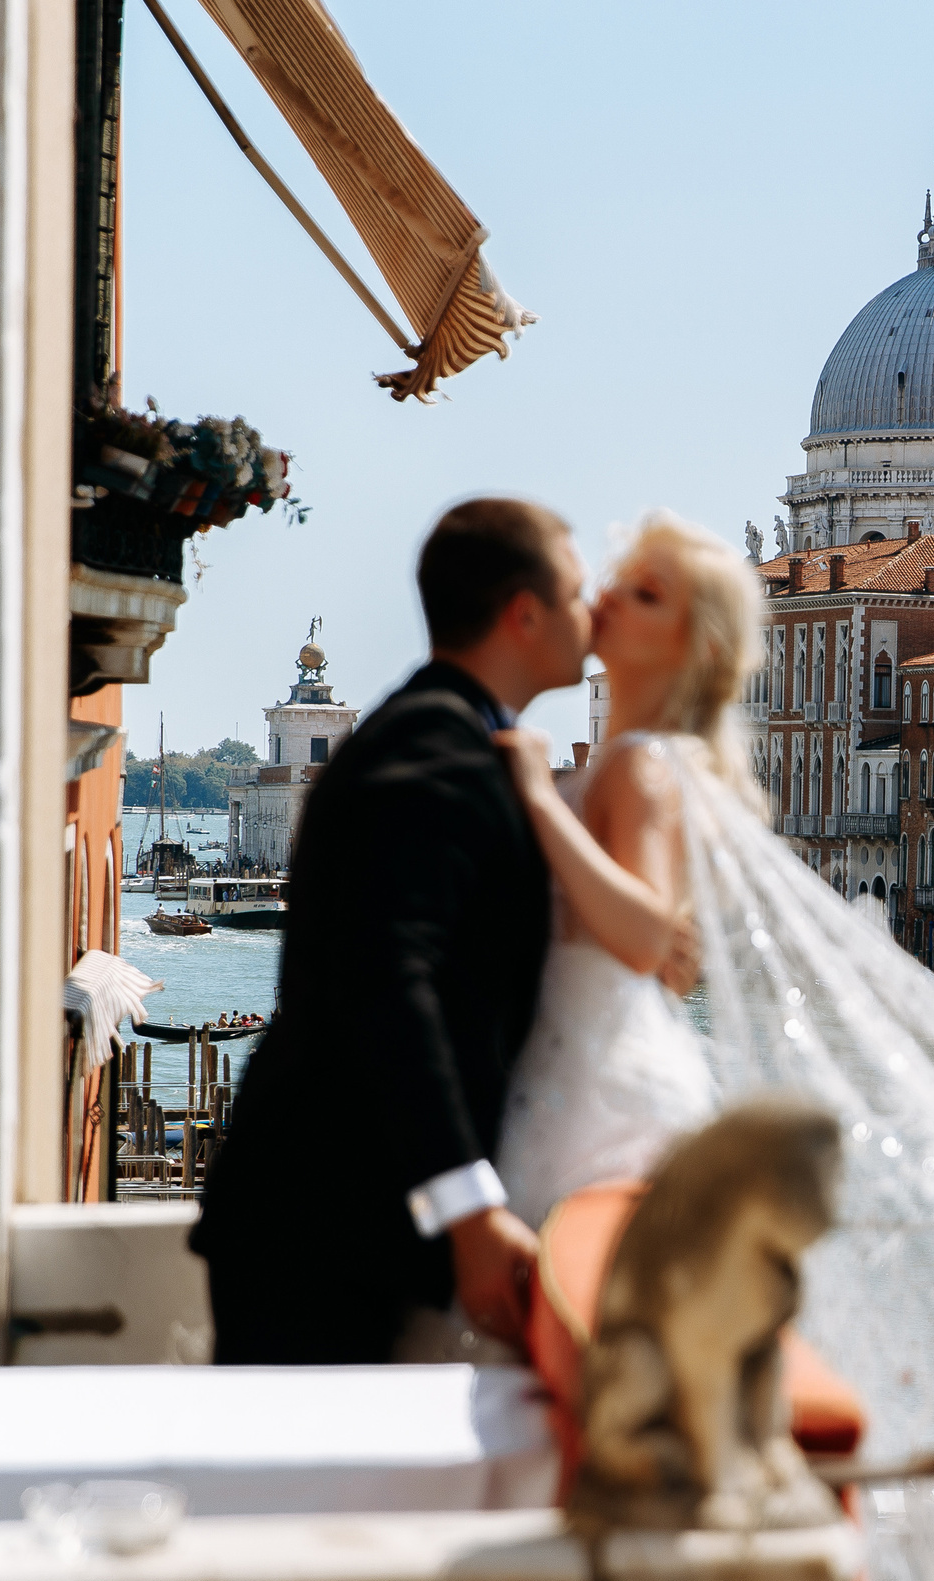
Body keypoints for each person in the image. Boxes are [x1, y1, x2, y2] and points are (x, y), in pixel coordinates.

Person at [190, 498, 695, 1363]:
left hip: (349, 1217)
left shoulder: (449, 738)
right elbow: (390, 977)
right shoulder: (437, 747)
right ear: (524, 614)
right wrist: (466, 1208)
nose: (594, 611)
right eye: (577, 594)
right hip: (327, 1227)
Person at [490, 513, 761, 1225]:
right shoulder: (627, 763)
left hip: (597, 1104)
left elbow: (645, 936)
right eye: (620, 580)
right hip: (578, 1079)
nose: (608, 596)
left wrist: (536, 796)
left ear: (690, 647)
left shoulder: (640, 764)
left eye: (646, 595)